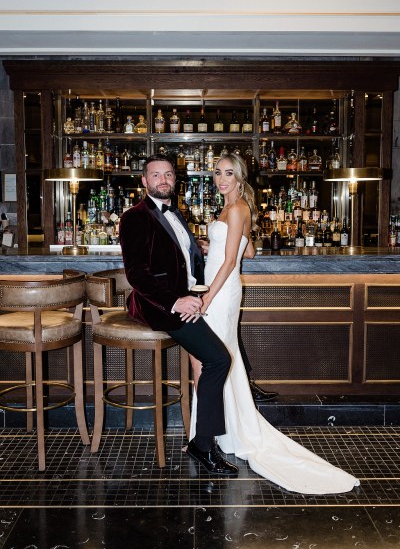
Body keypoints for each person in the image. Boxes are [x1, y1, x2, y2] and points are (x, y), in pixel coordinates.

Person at [189, 153, 360, 494]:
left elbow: (228, 265)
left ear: (239, 177)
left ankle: (210, 435)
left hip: (220, 291)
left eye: (228, 174)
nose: (222, 179)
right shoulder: (232, 208)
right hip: (220, 287)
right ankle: (213, 433)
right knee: (220, 360)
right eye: (218, 173)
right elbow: (247, 253)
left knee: (213, 361)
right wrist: (216, 243)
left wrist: (207, 296)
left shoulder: (236, 209)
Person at [119, 153, 238, 477]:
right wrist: (175, 302)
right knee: (219, 360)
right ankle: (203, 446)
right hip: (159, 306)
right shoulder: (135, 217)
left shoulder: (175, 212)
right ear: (144, 181)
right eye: (155, 175)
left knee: (209, 361)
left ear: (175, 179)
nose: (163, 180)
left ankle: (202, 440)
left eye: (168, 175)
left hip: (188, 296)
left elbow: (181, 260)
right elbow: (138, 275)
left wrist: (199, 285)